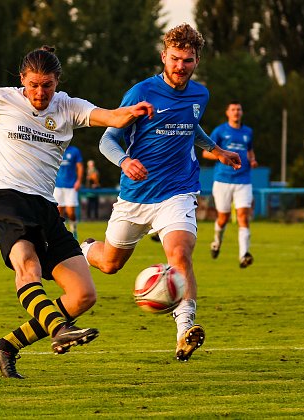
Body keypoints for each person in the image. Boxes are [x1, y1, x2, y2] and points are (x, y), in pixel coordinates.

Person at [0, 46, 153, 379]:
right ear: (22, 80)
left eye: (46, 85)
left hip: (46, 208)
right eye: (33, 84)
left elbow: (111, 116)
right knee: (28, 265)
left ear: (57, 81)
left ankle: (5, 346)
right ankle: (59, 329)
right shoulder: (0, 99)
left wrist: (133, 111)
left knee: (83, 295)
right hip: (7, 199)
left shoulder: (69, 107)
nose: (39, 92)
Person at [80, 24, 241, 362]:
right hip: (135, 195)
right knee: (110, 264)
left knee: (180, 255)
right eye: (175, 59)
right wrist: (124, 161)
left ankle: (185, 331)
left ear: (197, 61)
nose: (181, 66)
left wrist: (217, 150)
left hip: (178, 192)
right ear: (163, 56)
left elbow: (189, 124)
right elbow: (107, 139)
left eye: (188, 60)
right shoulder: (141, 92)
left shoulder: (201, 95)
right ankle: (82, 248)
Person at [202, 101, 257, 268]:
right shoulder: (220, 131)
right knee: (223, 218)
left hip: (243, 181)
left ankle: (243, 255)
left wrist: (253, 159)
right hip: (223, 180)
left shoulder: (248, 132)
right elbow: (206, 152)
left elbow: (249, 150)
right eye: (233, 109)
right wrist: (221, 156)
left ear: (242, 112)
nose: (236, 112)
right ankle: (216, 243)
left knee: (243, 217)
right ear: (227, 112)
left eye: (239, 109)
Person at [53, 145, 83, 238]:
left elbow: (80, 166)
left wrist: (79, 181)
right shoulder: (55, 149)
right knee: (58, 212)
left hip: (71, 186)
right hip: (57, 185)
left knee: (71, 213)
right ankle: (63, 232)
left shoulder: (74, 150)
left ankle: (74, 229)